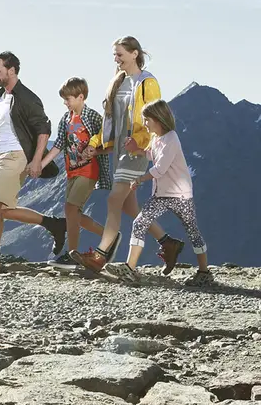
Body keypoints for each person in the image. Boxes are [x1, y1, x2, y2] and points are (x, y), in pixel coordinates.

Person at [71, 36, 183, 273]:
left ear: (135, 54)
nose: (116, 59)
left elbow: (157, 119)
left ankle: (101, 256)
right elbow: (111, 121)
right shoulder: (118, 83)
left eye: (120, 54)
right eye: (115, 55)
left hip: (136, 150)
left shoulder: (147, 82)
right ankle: (168, 243)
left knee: (114, 200)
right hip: (119, 150)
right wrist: (95, 143)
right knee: (129, 207)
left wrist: (145, 147)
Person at [0, 51, 63, 271]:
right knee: (1, 209)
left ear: (11, 70)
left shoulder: (27, 98)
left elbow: (43, 130)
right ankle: (54, 224)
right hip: (2, 156)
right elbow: (1, 130)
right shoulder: (1, 97)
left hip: (17, 155)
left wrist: (37, 160)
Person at [108, 99, 212, 286]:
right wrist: (137, 150)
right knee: (140, 222)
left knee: (192, 231)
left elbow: (160, 168)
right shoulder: (157, 139)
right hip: (161, 194)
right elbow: (151, 155)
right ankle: (129, 269)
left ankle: (204, 272)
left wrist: (139, 180)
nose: (145, 123)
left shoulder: (172, 138)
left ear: (158, 119)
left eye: (147, 120)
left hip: (180, 195)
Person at [39, 77, 109, 263]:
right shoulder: (66, 118)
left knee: (71, 209)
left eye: (68, 99)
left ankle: (73, 254)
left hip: (89, 170)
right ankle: (109, 235)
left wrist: (95, 151)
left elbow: (109, 141)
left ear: (80, 97)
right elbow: (59, 144)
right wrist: (41, 164)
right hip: (72, 171)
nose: (65, 103)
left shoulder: (93, 117)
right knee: (72, 212)